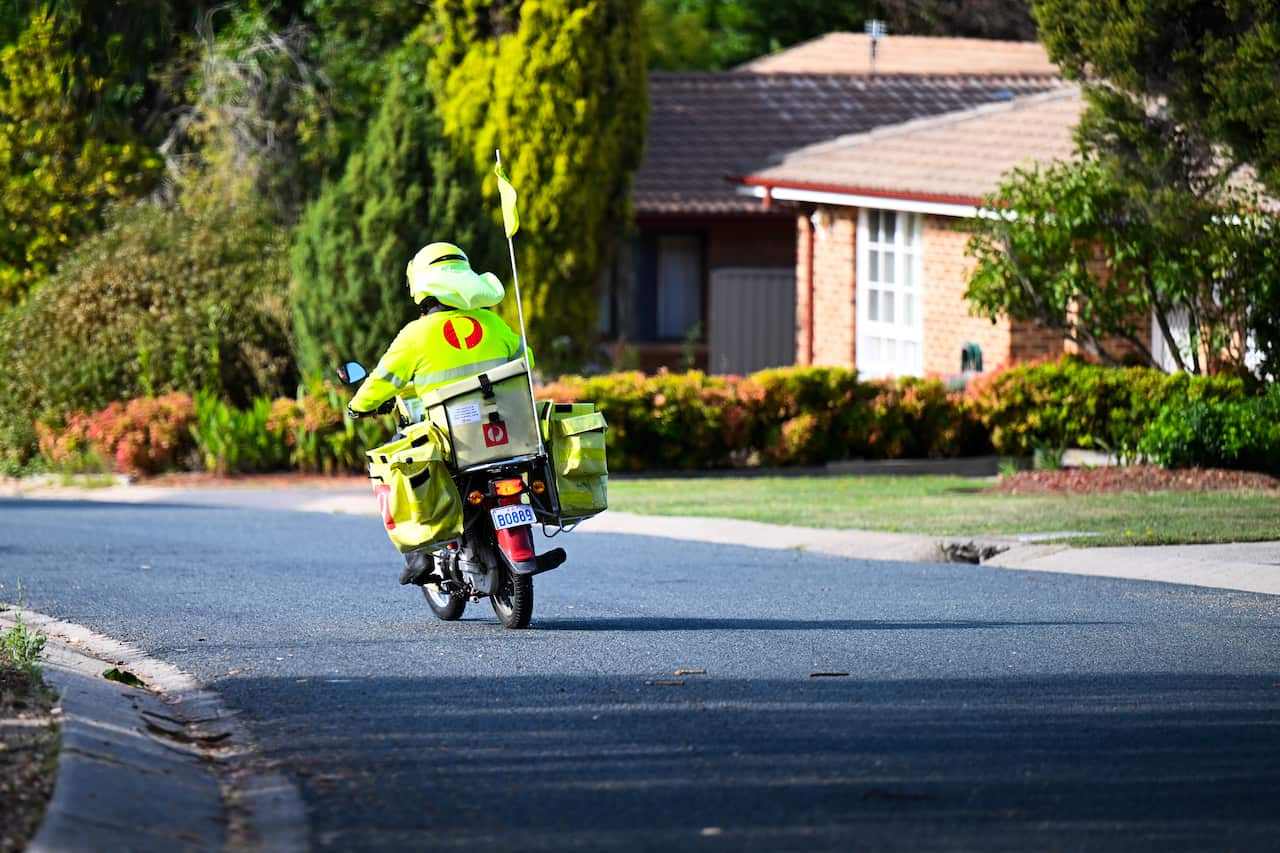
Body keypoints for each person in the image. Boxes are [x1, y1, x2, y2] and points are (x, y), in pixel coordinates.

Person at [348, 241, 529, 585]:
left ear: (421, 289)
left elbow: (380, 382)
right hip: (504, 431)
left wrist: (357, 407)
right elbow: (527, 361)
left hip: (448, 438)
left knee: (392, 464)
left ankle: (418, 557)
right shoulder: (493, 323)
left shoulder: (415, 335)